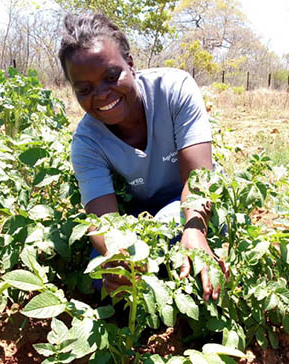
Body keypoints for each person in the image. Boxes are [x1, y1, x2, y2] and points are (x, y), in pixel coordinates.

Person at [58, 13, 227, 301]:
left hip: (194, 201)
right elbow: (104, 221)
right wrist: (116, 256)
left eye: (111, 77)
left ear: (131, 65)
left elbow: (200, 178)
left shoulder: (174, 89)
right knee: (103, 279)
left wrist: (195, 229)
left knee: (187, 249)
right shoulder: (87, 142)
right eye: (84, 89)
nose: (101, 95)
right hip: (140, 214)